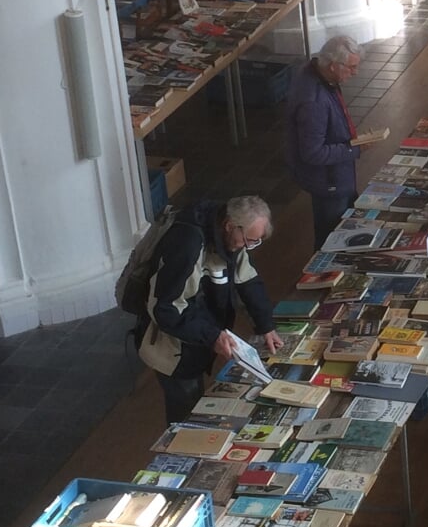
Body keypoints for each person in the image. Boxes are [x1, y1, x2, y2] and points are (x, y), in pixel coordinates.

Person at [139, 195, 284, 423]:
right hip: (172, 348)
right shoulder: (187, 245)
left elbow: (248, 280)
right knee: (186, 415)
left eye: (256, 242)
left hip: (198, 334)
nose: (248, 247)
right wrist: (212, 335)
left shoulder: (232, 237)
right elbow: (165, 309)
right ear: (229, 226)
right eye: (248, 240)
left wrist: (266, 325)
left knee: (196, 404)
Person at [286, 35, 364, 247]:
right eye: (351, 67)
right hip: (329, 182)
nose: (355, 73)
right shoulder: (314, 102)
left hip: (335, 177)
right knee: (331, 238)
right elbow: (313, 153)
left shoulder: (319, 75)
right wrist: (353, 149)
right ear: (332, 65)